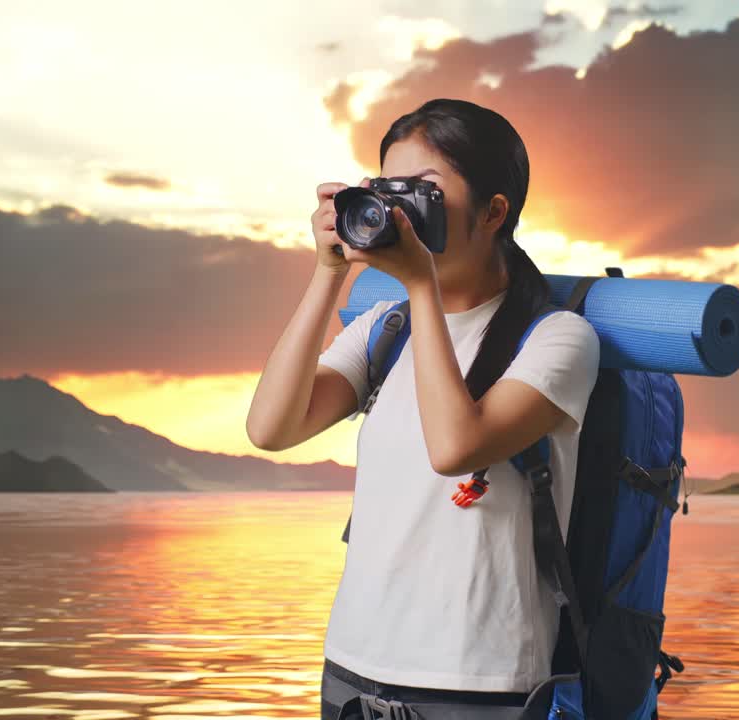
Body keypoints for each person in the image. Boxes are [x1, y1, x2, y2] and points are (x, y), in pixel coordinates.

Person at [246, 98, 601, 719]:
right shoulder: (387, 327)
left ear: (495, 211)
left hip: (476, 681)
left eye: (424, 191)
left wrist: (418, 283)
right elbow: (271, 428)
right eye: (389, 189)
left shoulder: (559, 339)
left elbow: (455, 447)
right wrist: (329, 271)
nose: (400, 210)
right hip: (353, 667)